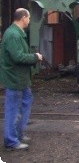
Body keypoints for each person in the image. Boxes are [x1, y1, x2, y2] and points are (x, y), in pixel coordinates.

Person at [0, 8, 43, 150]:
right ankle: (11, 141)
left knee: (25, 102)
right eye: (29, 18)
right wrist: (35, 57)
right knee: (13, 109)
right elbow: (17, 57)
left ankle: (18, 133)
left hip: (21, 79)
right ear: (23, 17)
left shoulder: (17, 33)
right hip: (15, 79)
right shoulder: (13, 35)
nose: (29, 21)